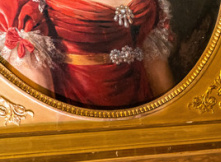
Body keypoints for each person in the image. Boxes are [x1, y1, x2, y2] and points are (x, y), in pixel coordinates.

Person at [0, 0, 175, 109]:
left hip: (141, 96)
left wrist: (171, 116)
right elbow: (33, 87)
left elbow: (155, 58)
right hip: (76, 100)